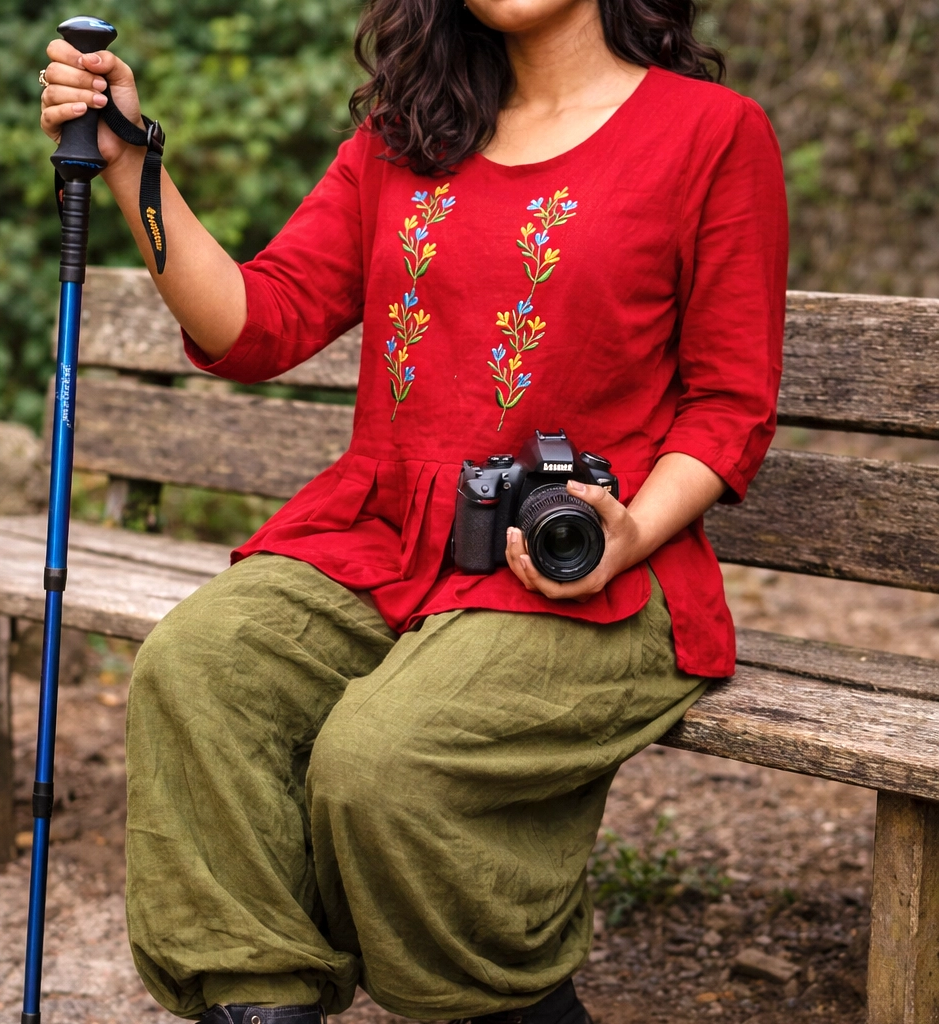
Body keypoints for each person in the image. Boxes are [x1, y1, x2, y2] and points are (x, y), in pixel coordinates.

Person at [40, 0, 787, 1021]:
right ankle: (259, 1000)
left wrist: (628, 532)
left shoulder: (710, 132)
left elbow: (729, 403)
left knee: (380, 760)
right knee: (199, 667)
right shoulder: (408, 135)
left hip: (582, 564)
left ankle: (506, 1005)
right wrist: (133, 166)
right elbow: (257, 324)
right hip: (385, 539)